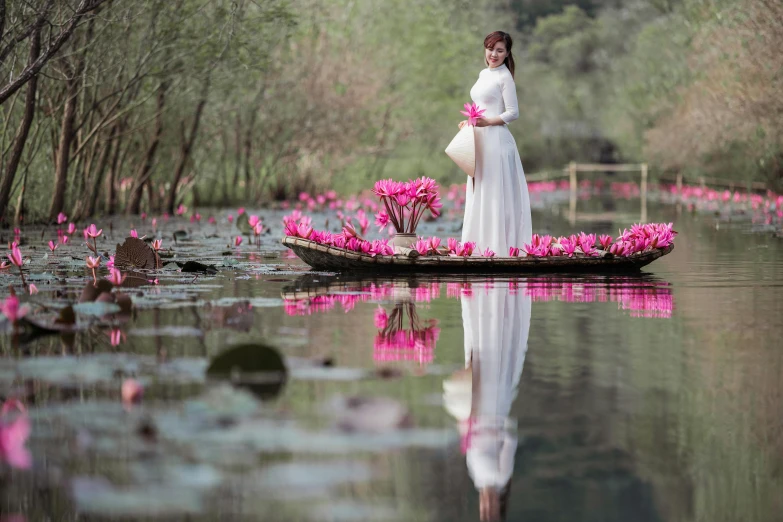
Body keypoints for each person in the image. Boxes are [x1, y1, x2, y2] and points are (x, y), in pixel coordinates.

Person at [442, 280, 532, 521]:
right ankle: (493, 318)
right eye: (489, 513)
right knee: (490, 367)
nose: (486, 508)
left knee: (477, 365)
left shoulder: (477, 478)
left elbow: (468, 443)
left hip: (475, 412)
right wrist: (494, 428)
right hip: (494, 411)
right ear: (497, 509)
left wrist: (464, 420)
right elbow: (510, 440)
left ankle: (482, 316)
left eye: (483, 513)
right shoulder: (502, 477)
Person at [459, 31, 532, 256]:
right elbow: (479, 105)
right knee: (479, 188)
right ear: (485, 49)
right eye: (491, 48)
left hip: (497, 141)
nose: (494, 54)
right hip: (479, 140)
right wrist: (469, 122)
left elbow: (513, 112)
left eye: (500, 50)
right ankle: (479, 246)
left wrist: (486, 122)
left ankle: (500, 248)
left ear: (507, 53)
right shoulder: (483, 74)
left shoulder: (504, 77)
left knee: (495, 191)